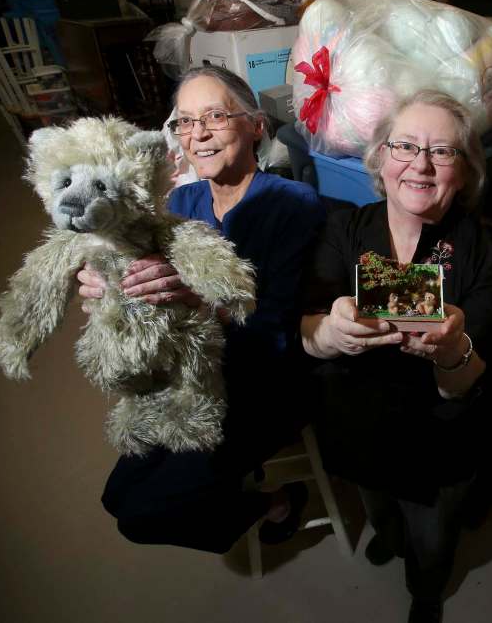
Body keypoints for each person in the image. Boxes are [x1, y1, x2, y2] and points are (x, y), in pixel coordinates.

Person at [78, 65, 327, 553]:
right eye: (186, 121)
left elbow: (276, 330)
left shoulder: (292, 204)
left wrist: (193, 301)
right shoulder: (182, 201)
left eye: (215, 116)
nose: (199, 134)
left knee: (139, 517)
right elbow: (140, 272)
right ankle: (248, 497)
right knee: (115, 497)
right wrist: (107, 281)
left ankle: (275, 503)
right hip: (189, 377)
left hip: (261, 388)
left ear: (256, 126)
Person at [300, 90, 492, 623]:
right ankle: (390, 536)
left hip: (438, 441)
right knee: (377, 504)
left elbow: (470, 377)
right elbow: (305, 331)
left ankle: (426, 589)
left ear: (465, 171)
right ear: (380, 158)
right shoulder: (343, 229)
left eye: (442, 151)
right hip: (358, 423)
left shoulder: (484, 250)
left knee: (432, 535)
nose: (420, 163)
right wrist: (332, 332)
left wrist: (451, 350)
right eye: (405, 146)